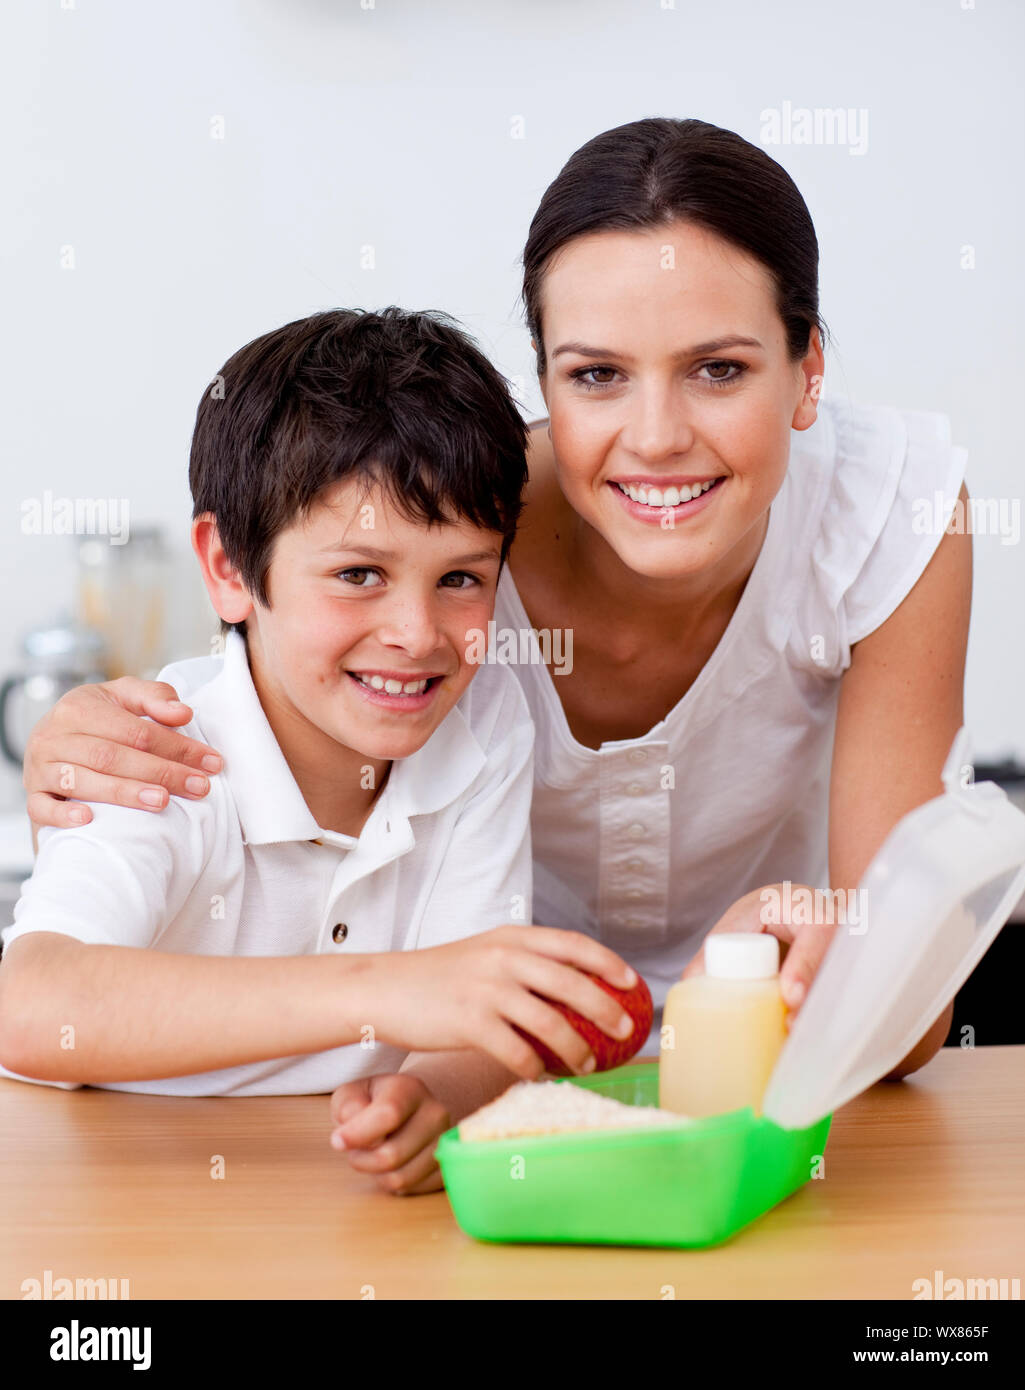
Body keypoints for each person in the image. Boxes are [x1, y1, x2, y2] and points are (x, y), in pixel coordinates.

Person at [20, 118, 971, 1082]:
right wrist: (84, 737)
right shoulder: (450, 516)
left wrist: (767, 975)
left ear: (809, 368)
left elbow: (904, 1007)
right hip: (501, 1068)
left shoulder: (889, 512)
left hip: (708, 1063)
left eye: (717, 369)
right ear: (545, 373)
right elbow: (271, 644)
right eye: (596, 375)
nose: (654, 438)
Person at [0, 307, 640, 1196]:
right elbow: (31, 1008)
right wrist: (384, 988)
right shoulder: (155, 750)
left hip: (321, 1209)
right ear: (228, 569)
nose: (417, 635)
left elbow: (470, 1020)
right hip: (114, 1194)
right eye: (358, 575)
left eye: (461, 578)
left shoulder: (484, 726)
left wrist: (432, 1095)